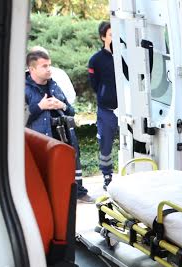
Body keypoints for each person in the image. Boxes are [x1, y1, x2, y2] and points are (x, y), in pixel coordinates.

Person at [24, 48, 90, 201]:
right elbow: (18, 119)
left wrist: (62, 105)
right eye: (44, 66)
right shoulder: (23, 90)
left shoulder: (54, 85)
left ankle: (77, 194)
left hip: (64, 139)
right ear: (32, 69)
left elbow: (71, 111)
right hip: (42, 143)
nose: (49, 69)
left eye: (49, 65)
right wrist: (39, 107)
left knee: (68, 171)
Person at [88, 21, 118, 191]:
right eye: (111, 35)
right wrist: (105, 94)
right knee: (105, 144)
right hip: (106, 109)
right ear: (103, 37)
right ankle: (107, 177)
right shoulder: (95, 60)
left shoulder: (123, 56)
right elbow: (95, 85)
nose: (115, 38)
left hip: (126, 109)